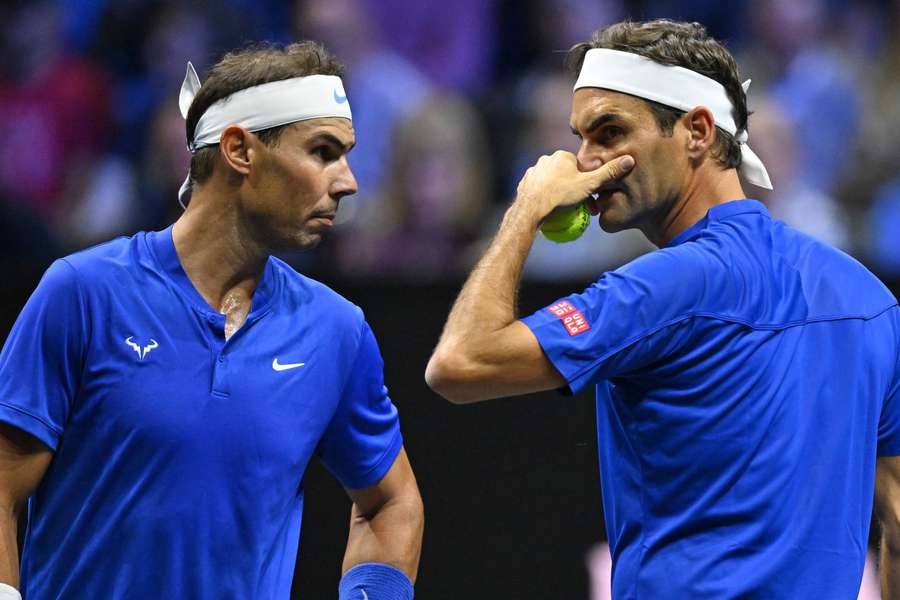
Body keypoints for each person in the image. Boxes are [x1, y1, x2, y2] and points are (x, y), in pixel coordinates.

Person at [425, 19, 900, 598]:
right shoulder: (870, 298)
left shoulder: (663, 285)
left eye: (609, 132)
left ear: (697, 132)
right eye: (581, 137)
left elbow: (459, 363)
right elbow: (896, 516)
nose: (583, 163)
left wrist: (524, 210)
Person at [0, 42, 423, 599]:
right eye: (323, 152)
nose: (348, 181)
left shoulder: (336, 331)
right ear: (239, 150)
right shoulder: (82, 293)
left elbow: (392, 501)